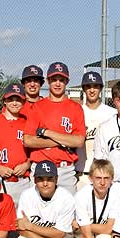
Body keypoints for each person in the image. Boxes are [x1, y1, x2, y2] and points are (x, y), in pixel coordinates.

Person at [23, 62, 85, 194]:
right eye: (54, 80)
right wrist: (62, 141)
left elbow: (79, 141)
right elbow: (28, 140)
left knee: (69, 213)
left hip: (65, 170)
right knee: (36, 213)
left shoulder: (75, 108)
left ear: (67, 81)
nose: (57, 84)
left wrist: (47, 133)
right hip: (40, 168)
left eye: (61, 80)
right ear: (48, 81)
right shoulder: (37, 107)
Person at [76, 71, 117, 187]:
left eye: (95, 86)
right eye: (88, 87)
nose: (92, 90)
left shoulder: (112, 113)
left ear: (100, 89)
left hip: (105, 174)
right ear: (84, 89)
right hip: (82, 173)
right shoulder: (77, 111)